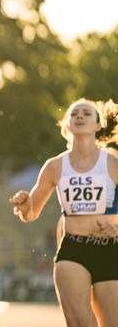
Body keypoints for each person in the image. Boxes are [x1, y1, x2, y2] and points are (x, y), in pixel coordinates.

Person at [9, 98, 118, 327]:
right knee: (79, 323)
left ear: (98, 125)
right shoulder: (55, 166)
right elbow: (31, 213)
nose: (80, 116)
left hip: (111, 250)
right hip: (73, 250)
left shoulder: (112, 164)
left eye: (87, 113)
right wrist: (24, 204)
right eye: (74, 113)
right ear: (67, 125)